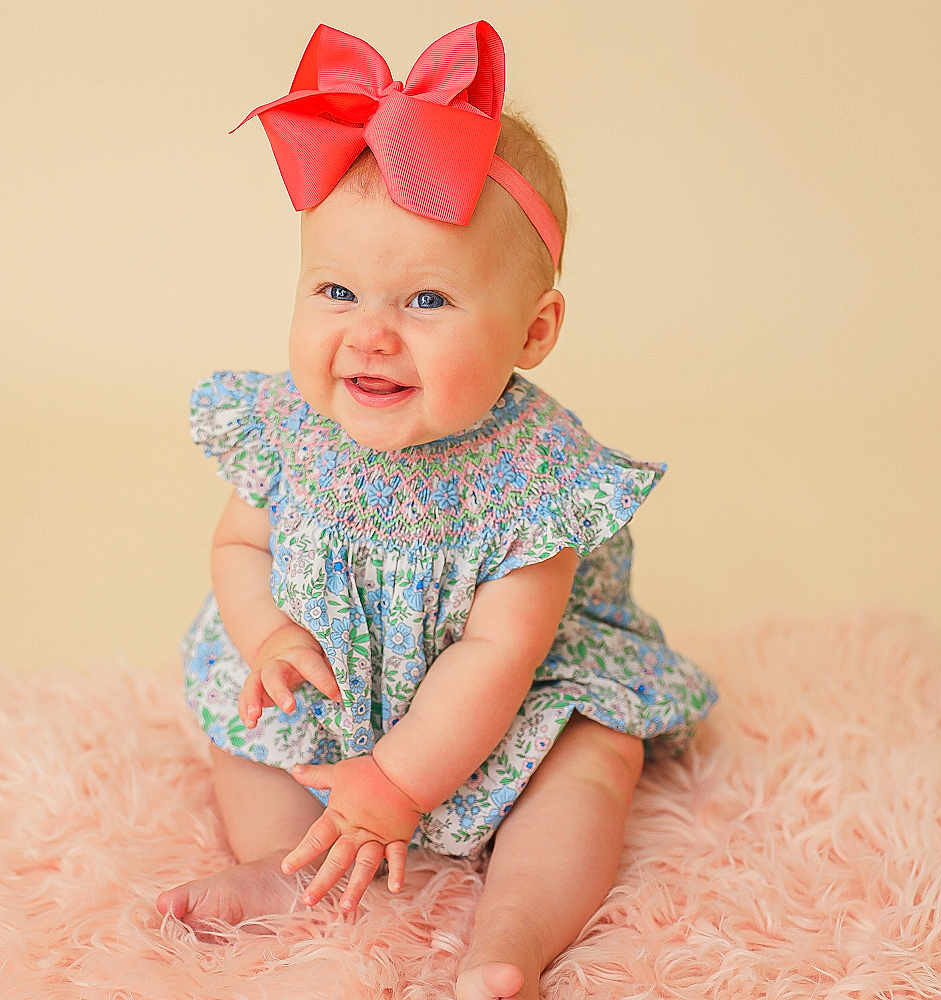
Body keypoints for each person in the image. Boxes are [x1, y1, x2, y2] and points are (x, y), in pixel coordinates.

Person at [156, 20, 719, 1000]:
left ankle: (513, 934)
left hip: (502, 711)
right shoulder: (286, 427)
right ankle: (290, 872)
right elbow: (239, 544)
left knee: (593, 760)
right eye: (336, 290)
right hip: (334, 682)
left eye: (426, 301)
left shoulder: (532, 478)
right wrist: (266, 631)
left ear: (532, 331)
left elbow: (497, 655)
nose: (369, 334)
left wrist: (404, 782)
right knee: (240, 731)